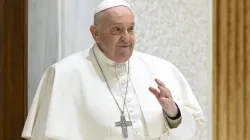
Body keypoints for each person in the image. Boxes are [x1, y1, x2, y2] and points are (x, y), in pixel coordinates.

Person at [22, 0, 206, 139]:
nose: (126, 38)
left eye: (131, 29)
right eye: (117, 30)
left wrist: (173, 112)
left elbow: (192, 128)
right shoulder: (64, 74)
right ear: (95, 33)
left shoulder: (161, 69)